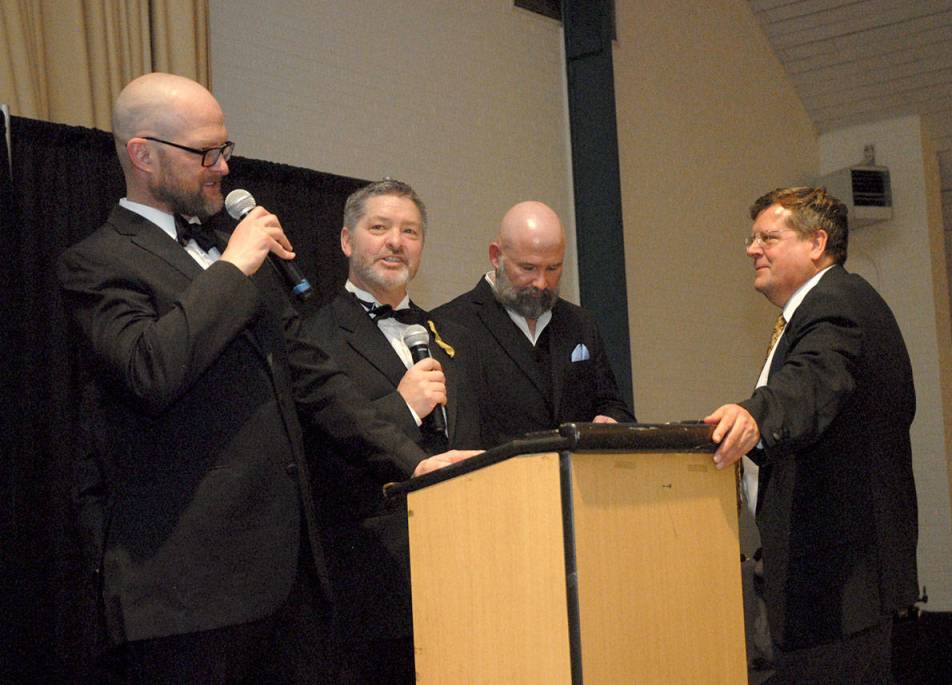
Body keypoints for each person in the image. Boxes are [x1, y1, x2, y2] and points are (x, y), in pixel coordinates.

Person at [58, 72, 471, 684]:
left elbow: (314, 378)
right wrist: (232, 267)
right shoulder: (97, 261)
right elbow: (150, 369)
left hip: (288, 582)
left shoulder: (234, 251)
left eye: (225, 148)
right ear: (142, 155)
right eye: (205, 152)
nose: (223, 167)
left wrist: (412, 462)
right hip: (187, 595)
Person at [704, 187, 918, 683]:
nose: (752, 249)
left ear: (817, 242)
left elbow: (813, 382)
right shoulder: (815, 309)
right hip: (825, 586)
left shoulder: (837, 304)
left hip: (839, 586)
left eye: (768, 238)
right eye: (752, 238)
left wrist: (754, 416)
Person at [302, 179, 480, 682]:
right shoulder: (314, 337)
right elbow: (318, 453)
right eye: (378, 228)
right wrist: (403, 407)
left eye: (410, 231)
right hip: (370, 583)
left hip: (460, 567)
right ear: (345, 241)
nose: (396, 242)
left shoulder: (451, 336)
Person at [432, 200, 634, 447]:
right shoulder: (449, 326)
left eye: (553, 268)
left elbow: (612, 403)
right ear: (496, 257)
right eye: (528, 268)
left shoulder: (580, 323)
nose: (541, 282)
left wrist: (610, 421)